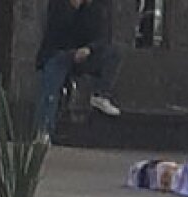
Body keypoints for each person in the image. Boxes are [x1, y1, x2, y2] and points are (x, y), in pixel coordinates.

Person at [35, 0, 123, 137]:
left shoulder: (94, 10)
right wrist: (71, 10)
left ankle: (100, 95)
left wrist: (89, 48)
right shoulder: (59, 7)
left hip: (82, 54)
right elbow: (55, 35)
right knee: (52, 81)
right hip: (58, 54)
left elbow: (102, 37)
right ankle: (44, 130)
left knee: (113, 53)